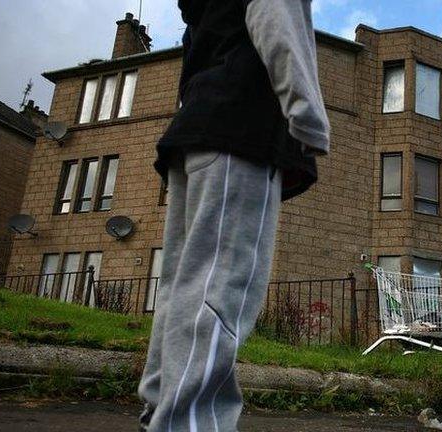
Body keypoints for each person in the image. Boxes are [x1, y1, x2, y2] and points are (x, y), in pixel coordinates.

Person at [137, 0, 329, 430]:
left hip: (198, 128)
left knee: (181, 288)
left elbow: (194, 56)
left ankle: (159, 409)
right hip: (243, 128)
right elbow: (275, 15)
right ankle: (190, 421)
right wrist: (309, 116)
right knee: (222, 288)